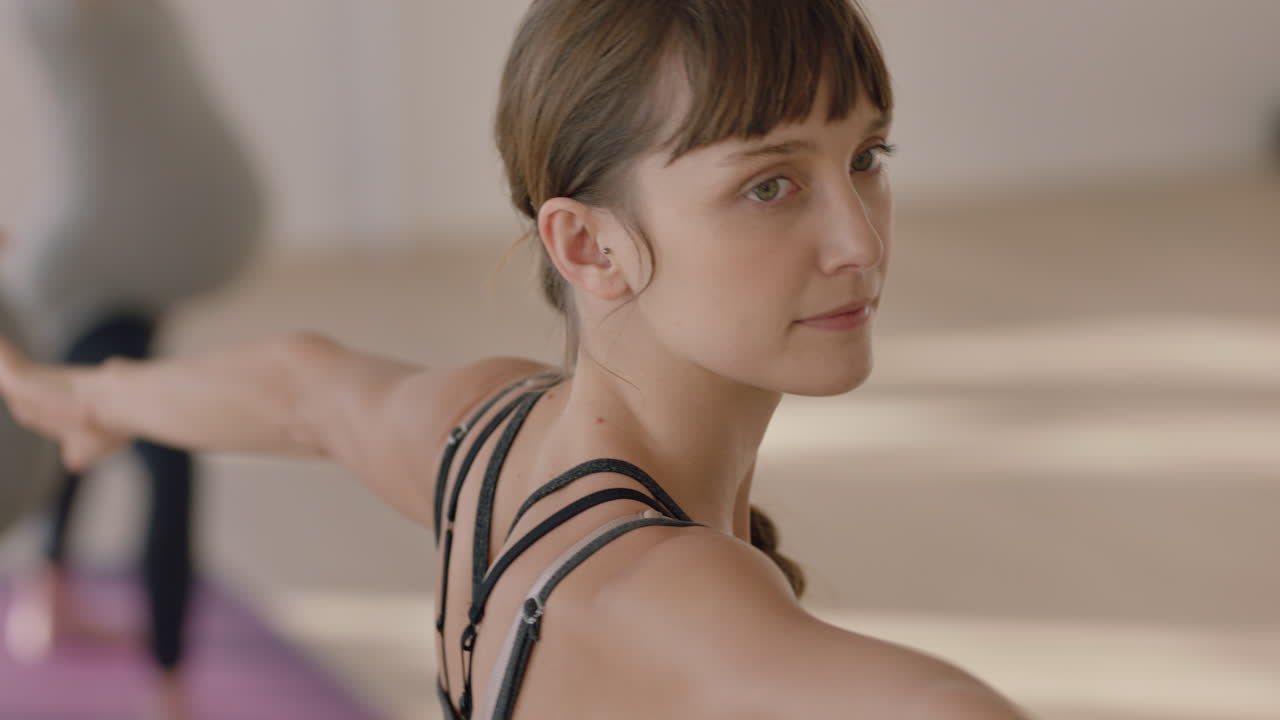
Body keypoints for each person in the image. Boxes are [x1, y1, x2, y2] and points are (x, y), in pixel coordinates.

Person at [0, 0, 1031, 717]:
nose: (858, 238)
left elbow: (303, 391)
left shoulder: (494, 433)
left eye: (865, 158)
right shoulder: (664, 596)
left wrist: (89, 395)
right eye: (769, 185)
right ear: (587, 244)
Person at [0, 0, 265, 718]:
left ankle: (50, 596)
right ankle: (169, 681)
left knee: (90, 407)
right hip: (107, 252)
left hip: (127, 242)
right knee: (155, 438)